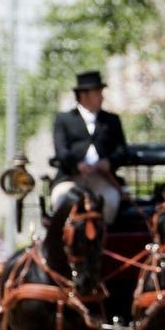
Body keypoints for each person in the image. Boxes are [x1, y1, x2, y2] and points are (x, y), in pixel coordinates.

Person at [50, 70, 128, 225]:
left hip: (102, 177)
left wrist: (108, 163)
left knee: (111, 199)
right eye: (97, 92)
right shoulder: (64, 119)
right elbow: (61, 151)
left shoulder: (111, 120)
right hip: (71, 177)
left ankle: (100, 238)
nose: (101, 97)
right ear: (84, 95)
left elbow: (122, 150)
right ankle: (66, 239)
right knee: (62, 200)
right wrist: (77, 165)